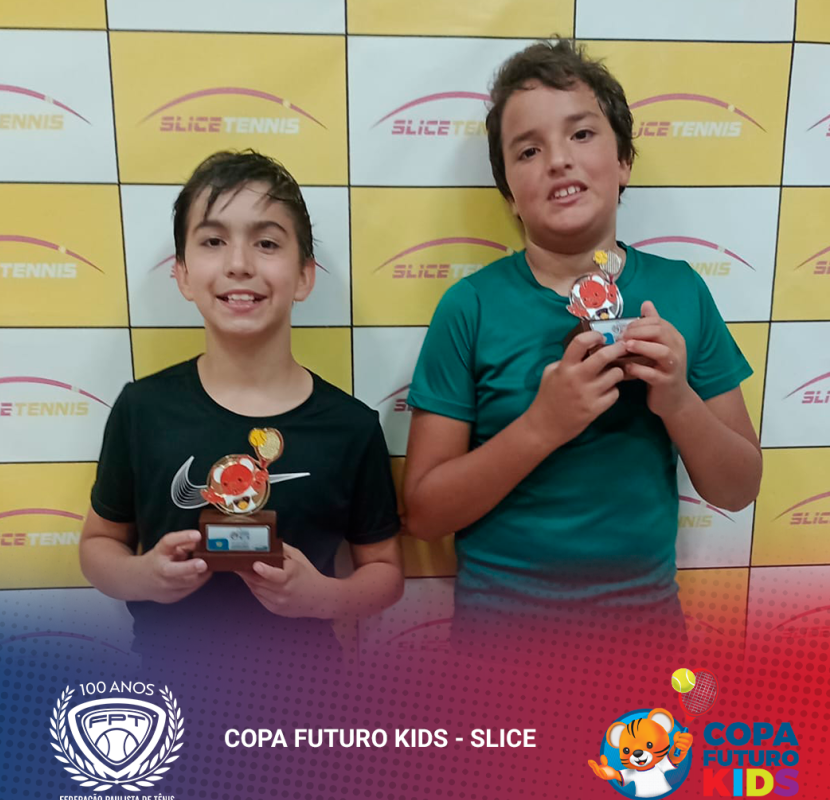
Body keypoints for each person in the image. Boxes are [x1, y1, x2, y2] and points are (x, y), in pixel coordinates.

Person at [403, 40, 761, 645]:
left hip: (645, 645)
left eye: (582, 134)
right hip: (498, 653)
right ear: (508, 193)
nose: (559, 161)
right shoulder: (469, 307)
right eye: (528, 150)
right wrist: (543, 425)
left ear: (623, 162)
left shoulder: (682, 291)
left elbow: (739, 487)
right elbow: (423, 514)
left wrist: (678, 401)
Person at [80, 150, 403, 666]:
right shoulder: (142, 409)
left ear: (304, 275)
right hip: (169, 690)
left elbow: (385, 573)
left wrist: (323, 597)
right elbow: (98, 545)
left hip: (307, 693)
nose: (239, 264)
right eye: (213, 241)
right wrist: (143, 576)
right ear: (183, 274)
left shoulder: (352, 427)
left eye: (267, 243)